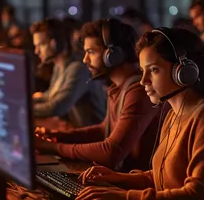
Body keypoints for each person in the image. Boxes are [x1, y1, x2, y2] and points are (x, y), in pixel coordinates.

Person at [76, 26, 204, 200]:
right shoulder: (174, 112)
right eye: (143, 70)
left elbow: (194, 197)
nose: (143, 80)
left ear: (183, 72)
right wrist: (115, 179)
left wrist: (123, 197)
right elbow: (161, 178)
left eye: (153, 70)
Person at [36, 18, 169, 172]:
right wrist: (56, 136)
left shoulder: (139, 90)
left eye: (91, 52)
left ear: (112, 55)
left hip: (136, 184)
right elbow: (103, 130)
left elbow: (112, 151)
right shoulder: (117, 87)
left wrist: (54, 148)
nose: (85, 60)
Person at [32, 18, 106, 127]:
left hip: (91, 137)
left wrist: (23, 109)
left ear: (54, 43)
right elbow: (49, 96)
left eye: (41, 45)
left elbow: (57, 107)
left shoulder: (78, 68)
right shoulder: (59, 65)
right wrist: (24, 101)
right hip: (75, 131)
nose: (36, 51)